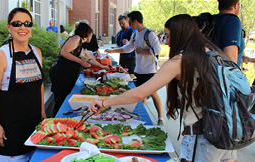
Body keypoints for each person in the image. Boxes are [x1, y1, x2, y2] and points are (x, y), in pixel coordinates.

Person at [89, 14, 237, 162]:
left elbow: (140, 93)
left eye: (167, 36)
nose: (166, 42)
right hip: (228, 133)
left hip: (204, 139)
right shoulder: (211, 51)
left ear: (180, 34)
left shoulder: (181, 60)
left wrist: (104, 103)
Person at [0, 7, 46, 161]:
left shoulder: (37, 52)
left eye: (27, 23)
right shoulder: (1, 55)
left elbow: (39, 85)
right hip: (9, 128)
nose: (22, 27)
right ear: (8, 27)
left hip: (33, 125)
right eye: (17, 23)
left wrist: (42, 112)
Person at [104, 11, 164, 125]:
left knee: (153, 94)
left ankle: (160, 118)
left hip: (150, 70)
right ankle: (142, 114)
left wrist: (142, 51)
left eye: (130, 22)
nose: (129, 24)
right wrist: (112, 50)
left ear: (135, 21)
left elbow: (158, 50)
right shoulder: (135, 34)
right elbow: (127, 48)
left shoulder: (149, 34)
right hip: (139, 70)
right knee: (142, 94)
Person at [49, 23, 109, 117]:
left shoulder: (81, 44)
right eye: (91, 33)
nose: (92, 35)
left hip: (66, 74)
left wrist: (103, 67)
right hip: (61, 74)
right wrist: (80, 61)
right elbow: (64, 52)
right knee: (60, 101)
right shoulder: (76, 38)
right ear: (86, 32)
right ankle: (54, 122)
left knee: (64, 99)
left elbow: (90, 59)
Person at [214, 0, 245, 67]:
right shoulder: (232, 21)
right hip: (224, 75)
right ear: (235, 5)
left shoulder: (213, 21)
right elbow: (230, 60)